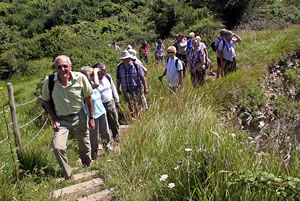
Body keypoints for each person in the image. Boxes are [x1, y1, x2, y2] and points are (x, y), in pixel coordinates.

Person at [42, 55, 94, 180]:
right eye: (59, 67)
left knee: (84, 144)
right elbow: (46, 101)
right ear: (56, 68)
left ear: (70, 67)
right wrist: (54, 119)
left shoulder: (80, 78)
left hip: (79, 115)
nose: (63, 69)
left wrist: (91, 118)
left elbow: (88, 98)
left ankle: (87, 164)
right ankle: (68, 174)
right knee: (57, 147)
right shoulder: (49, 81)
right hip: (61, 119)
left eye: (65, 66)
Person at [80, 66, 111, 159]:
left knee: (105, 132)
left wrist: (94, 72)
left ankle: (107, 147)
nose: (95, 75)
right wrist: (95, 71)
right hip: (92, 115)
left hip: (101, 111)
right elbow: (97, 84)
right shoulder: (84, 87)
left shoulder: (91, 82)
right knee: (94, 136)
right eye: (93, 74)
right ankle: (94, 153)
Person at [92, 62, 121, 144]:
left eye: (105, 69)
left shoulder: (107, 77)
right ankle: (105, 141)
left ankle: (116, 136)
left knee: (114, 120)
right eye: (103, 69)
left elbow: (113, 88)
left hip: (110, 102)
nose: (105, 71)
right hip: (99, 105)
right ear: (98, 71)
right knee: (104, 124)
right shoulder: (93, 80)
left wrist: (117, 100)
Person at [116, 50, 149, 117]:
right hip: (126, 89)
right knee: (130, 104)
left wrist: (146, 88)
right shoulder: (119, 67)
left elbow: (143, 77)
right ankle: (134, 117)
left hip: (137, 88)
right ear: (123, 59)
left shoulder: (136, 65)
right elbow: (118, 79)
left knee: (139, 104)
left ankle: (141, 118)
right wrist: (118, 88)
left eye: (129, 58)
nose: (128, 59)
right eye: (126, 58)